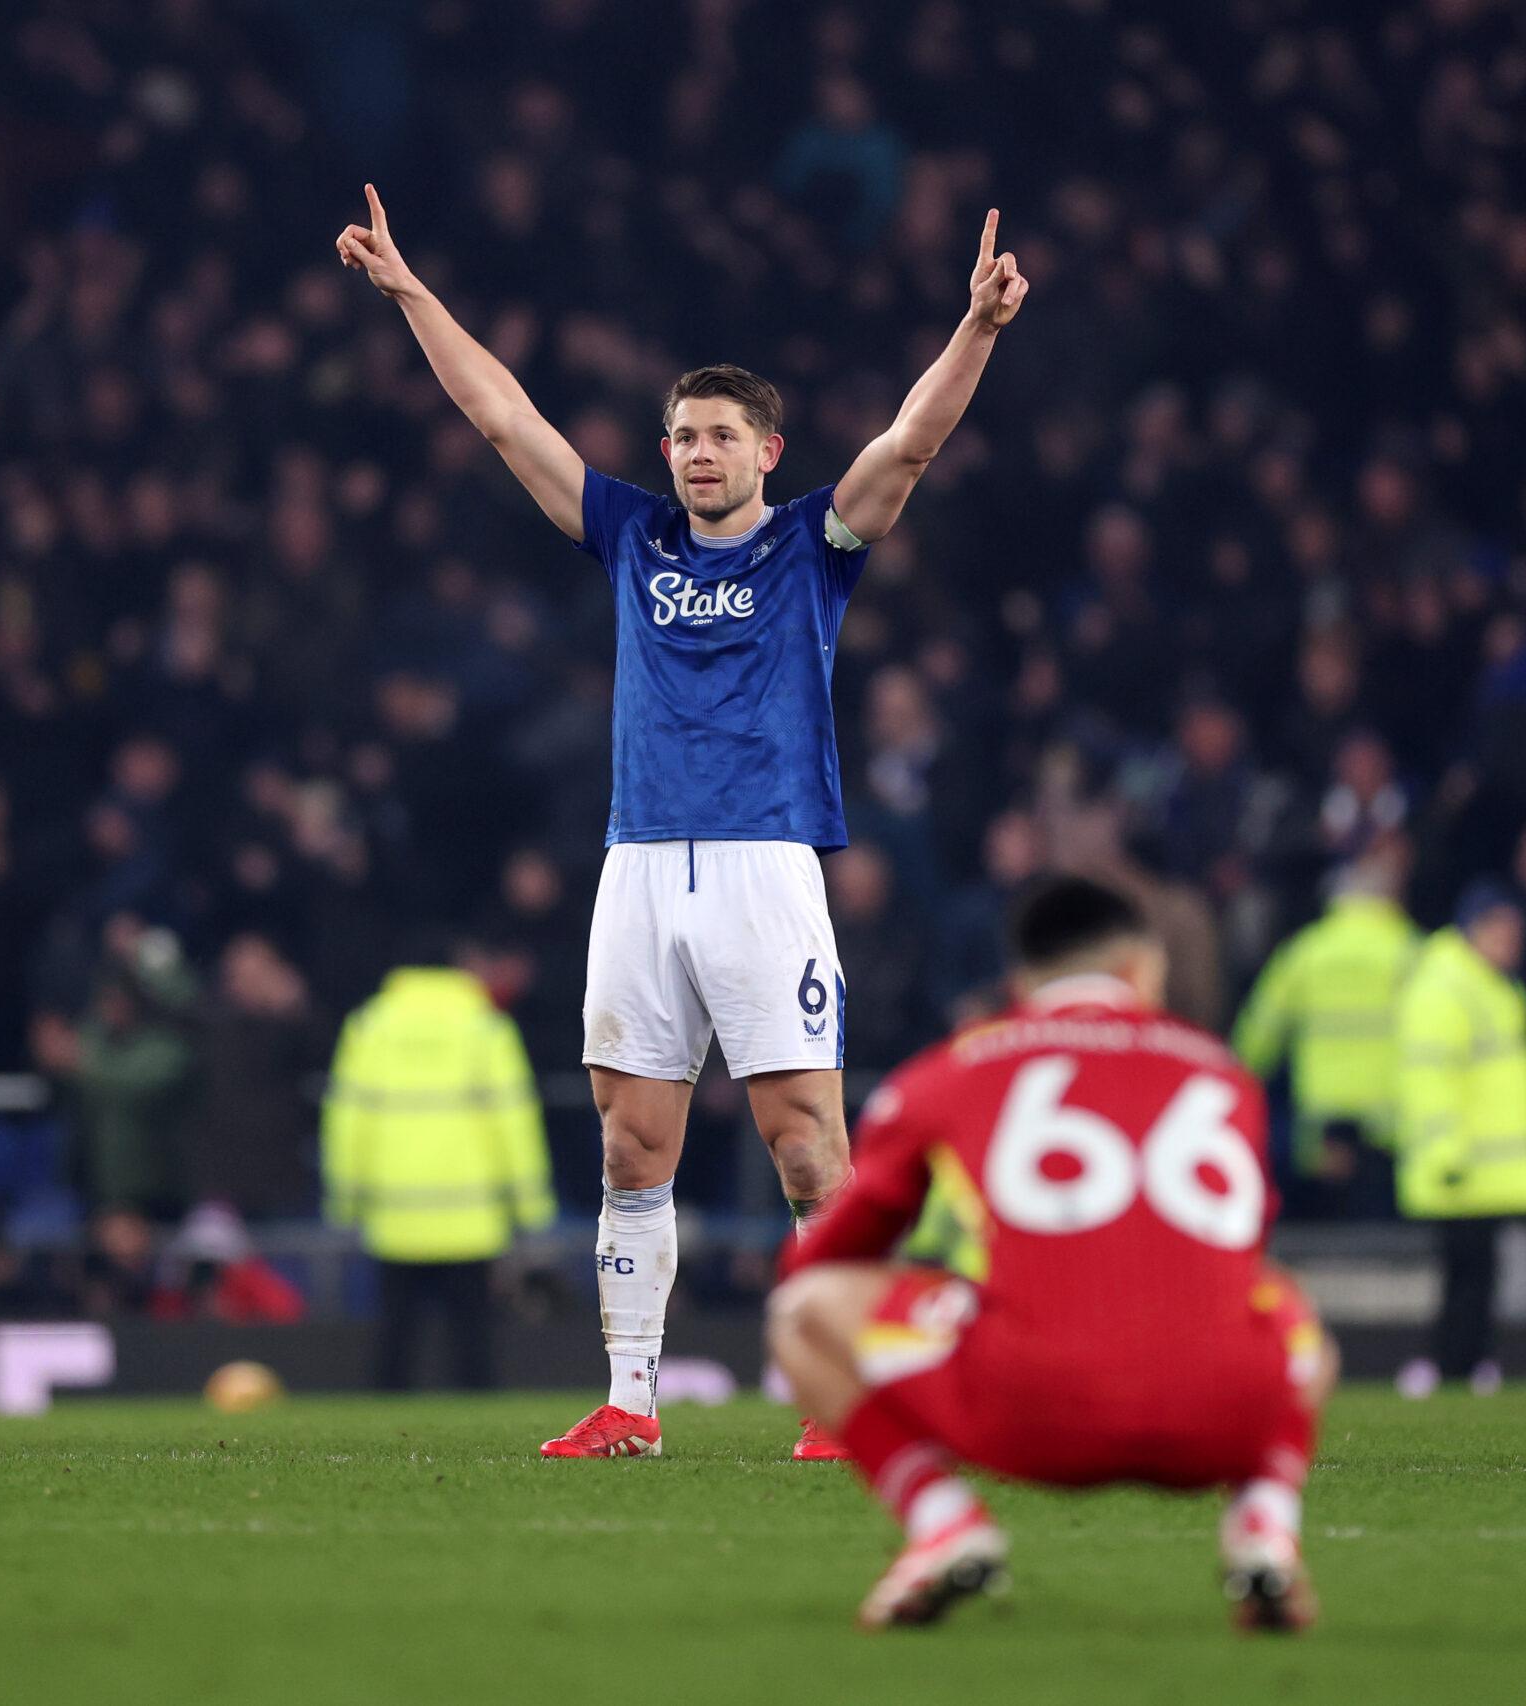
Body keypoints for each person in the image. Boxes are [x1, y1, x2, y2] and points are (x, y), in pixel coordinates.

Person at [336, 183, 1029, 1456]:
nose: (697, 453)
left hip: (765, 862)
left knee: (805, 1144)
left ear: (767, 450)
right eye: (682, 436)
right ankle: (631, 1403)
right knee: (629, 1142)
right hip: (640, 864)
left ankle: (840, 1396)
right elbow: (504, 418)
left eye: (720, 434)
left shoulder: (813, 543)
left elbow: (908, 446)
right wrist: (411, 293)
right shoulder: (631, 537)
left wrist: (977, 328)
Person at [768, 877, 1335, 1632]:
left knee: (802, 1311)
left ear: (1020, 983)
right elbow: (1237, 1252)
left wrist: (957, 1293)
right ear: (1139, 969)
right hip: (1219, 1417)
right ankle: (1264, 1525)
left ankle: (944, 1524)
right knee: (1286, 1303)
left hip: (1030, 1413)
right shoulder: (1224, 1074)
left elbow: (822, 1262)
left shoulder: (949, 1071)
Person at [321, 951, 556, 1391]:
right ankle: (482, 1430)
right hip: (472, 1219)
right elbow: (514, 1120)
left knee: (394, 1346)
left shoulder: (370, 1026)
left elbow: (348, 1121)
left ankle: (385, 1430)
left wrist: (344, 1202)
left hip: (394, 1218)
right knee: (473, 1347)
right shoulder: (486, 1027)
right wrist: (531, 1206)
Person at [1393, 882, 1526, 1382]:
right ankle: (1453, 1368)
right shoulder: (1447, 986)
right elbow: (1429, 1077)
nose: (1512, 943)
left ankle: (1464, 1367)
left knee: (1478, 1273)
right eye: (1502, 931)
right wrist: (1445, 1152)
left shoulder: (1489, 984)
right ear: (1473, 930)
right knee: (1465, 1274)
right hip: (1462, 1166)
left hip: (1485, 1168)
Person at [1232, 840, 1420, 1212]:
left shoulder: (1305, 951)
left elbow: (1261, 1029)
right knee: (1382, 1219)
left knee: (1328, 1217)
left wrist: (1237, 1078)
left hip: (1323, 1111)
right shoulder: (1410, 951)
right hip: (1389, 1113)